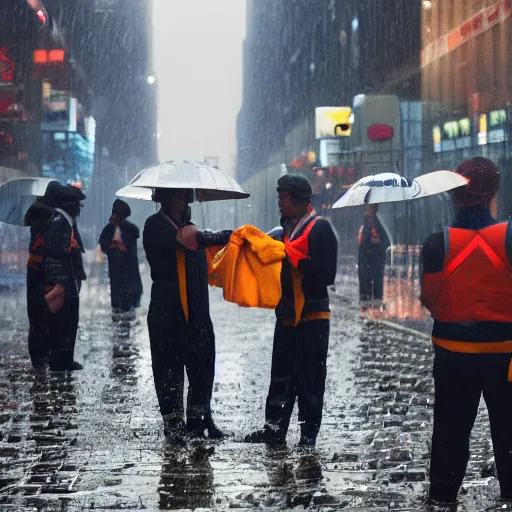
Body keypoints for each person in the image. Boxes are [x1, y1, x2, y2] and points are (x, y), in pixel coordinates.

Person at [179, 174, 338, 446]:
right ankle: (274, 429)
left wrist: (294, 258)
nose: (279, 201)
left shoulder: (320, 230)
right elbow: (255, 248)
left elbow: (326, 274)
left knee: (311, 380)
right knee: (281, 378)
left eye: (283, 196)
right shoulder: (281, 233)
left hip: (313, 319)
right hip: (286, 318)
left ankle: (307, 436)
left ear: (299, 200)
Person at [420, 157, 512, 507]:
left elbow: (431, 300)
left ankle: (443, 497)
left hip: (453, 357)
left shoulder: (435, 244)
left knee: (449, 434)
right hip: (505, 358)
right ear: (493, 192)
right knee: (508, 434)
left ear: (454, 195)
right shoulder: (509, 237)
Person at [142, 188, 230, 441]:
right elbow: (191, 239)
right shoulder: (156, 225)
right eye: (179, 198)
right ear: (167, 200)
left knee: (202, 364)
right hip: (167, 309)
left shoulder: (189, 226)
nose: (183, 203)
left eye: (184, 198)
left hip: (197, 309)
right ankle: (173, 423)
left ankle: (199, 419)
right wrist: (226, 235)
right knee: (168, 367)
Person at [24, 181, 86, 371]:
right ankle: (58, 360)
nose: (79, 208)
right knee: (61, 323)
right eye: (77, 203)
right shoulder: (59, 221)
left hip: (66, 279)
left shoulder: (63, 220)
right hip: (61, 281)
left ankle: (62, 359)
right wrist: (58, 283)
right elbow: (56, 254)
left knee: (67, 322)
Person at [98, 199, 142, 316]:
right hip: (117, 274)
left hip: (129, 274)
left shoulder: (130, 229)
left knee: (129, 308)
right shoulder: (109, 229)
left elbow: (129, 244)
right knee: (117, 306)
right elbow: (104, 245)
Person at [357, 203, 390, 308]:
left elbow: (385, 240)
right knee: (365, 282)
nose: (368, 209)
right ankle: (366, 304)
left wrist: (378, 242)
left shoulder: (379, 222)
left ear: (375, 208)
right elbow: (363, 241)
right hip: (365, 258)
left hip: (376, 258)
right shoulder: (366, 221)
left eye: (370, 207)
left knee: (377, 282)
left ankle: (376, 305)